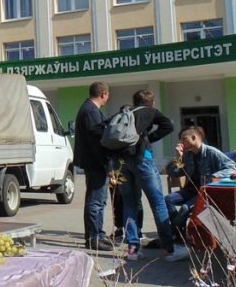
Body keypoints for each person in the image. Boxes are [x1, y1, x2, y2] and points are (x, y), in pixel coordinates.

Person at [117, 90, 187, 262]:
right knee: (158, 203)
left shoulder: (125, 114)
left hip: (122, 163)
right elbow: (168, 126)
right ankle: (169, 250)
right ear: (151, 102)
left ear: (134, 101)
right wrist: (148, 138)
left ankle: (133, 250)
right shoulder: (150, 112)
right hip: (143, 161)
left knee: (130, 204)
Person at [165, 126, 236, 234]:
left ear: (193, 137)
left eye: (183, 139)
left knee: (185, 208)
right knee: (167, 199)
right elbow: (174, 173)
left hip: (204, 192)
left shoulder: (211, 152)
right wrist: (177, 157)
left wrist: (215, 176)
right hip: (190, 190)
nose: (181, 142)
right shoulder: (187, 155)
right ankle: (179, 231)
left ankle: (175, 232)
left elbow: (232, 167)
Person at [73, 82, 113, 251]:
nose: (108, 98)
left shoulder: (90, 110)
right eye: (107, 95)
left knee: (99, 200)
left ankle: (98, 235)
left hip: (94, 161)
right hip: (96, 162)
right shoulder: (90, 111)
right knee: (96, 201)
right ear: (103, 94)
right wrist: (108, 164)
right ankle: (94, 238)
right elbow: (98, 140)